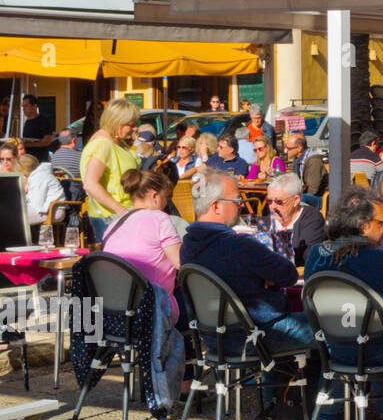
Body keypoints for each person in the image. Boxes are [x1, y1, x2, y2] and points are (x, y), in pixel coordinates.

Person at [180, 171, 313, 392]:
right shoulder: (240, 246)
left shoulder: (188, 246)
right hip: (256, 337)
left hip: (214, 339)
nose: (241, 205)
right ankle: (329, 413)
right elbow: (288, 274)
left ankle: (280, 406)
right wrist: (263, 277)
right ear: (216, 206)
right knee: (334, 327)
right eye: (236, 200)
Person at [303, 188, 383, 420]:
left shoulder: (316, 255)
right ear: (365, 227)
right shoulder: (379, 260)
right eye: (382, 222)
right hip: (381, 350)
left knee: (375, 328)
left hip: (333, 349)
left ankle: (336, 414)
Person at [101, 168, 183, 324]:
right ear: (155, 196)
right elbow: (180, 261)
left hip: (114, 309)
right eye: (166, 198)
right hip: (150, 309)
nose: (166, 204)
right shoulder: (160, 219)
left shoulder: (113, 225)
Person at [81, 98, 142, 242]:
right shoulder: (103, 144)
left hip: (123, 214)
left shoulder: (115, 141)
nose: (134, 129)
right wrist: (120, 210)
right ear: (116, 123)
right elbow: (90, 184)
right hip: (111, 217)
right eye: (131, 125)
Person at [266, 173, 326, 268]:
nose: (273, 206)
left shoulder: (312, 219)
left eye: (278, 201)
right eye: (269, 201)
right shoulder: (268, 221)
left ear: (296, 200)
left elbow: (308, 257)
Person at [18, 153, 63, 227]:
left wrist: (26, 193)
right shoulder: (36, 176)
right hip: (45, 209)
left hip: (52, 211)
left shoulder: (40, 178)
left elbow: (38, 203)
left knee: (12, 216)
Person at [284, 133, 327, 199]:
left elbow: (313, 190)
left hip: (319, 198)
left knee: (296, 199)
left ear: (299, 148)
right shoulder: (297, 159)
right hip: (304, 193)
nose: (285, 150)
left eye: (288, 148)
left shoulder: (314, 161)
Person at [19, 94, 54, 162]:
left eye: (26, 106)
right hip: (28, 160)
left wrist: (29, 145)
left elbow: (47, 141)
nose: (23, 109)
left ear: (34, 106)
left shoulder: (43, 121)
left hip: (39, 160)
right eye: (23, 106)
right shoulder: (27, 122)